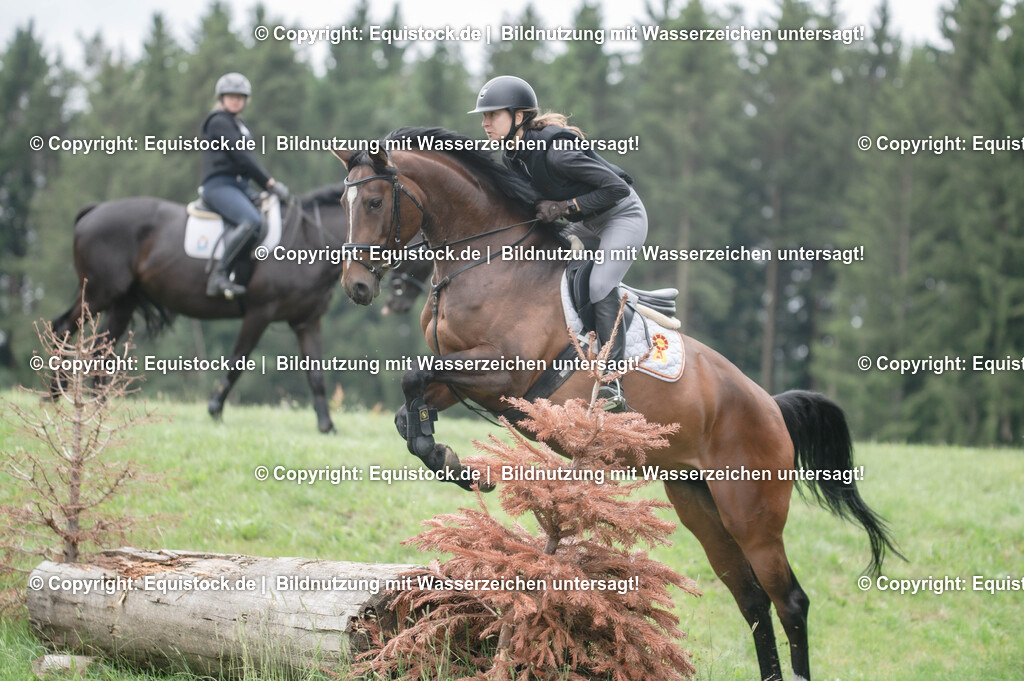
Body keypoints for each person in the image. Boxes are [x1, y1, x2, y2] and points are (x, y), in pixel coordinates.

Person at [470, 75, 648, 412]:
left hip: (622, 217)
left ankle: (613, 384)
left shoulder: (557, 152)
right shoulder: (515, 155)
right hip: (585, 224)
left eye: (493, 115)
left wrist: (565, 208)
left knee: (598, 285)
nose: (485, 123)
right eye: (484, 116)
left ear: (519, 116)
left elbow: (617, 189)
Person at [200, 72, 289, 298]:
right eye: (231, 96)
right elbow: (242, 157)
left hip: (239, 187)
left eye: (240, 96)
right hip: (219, 185)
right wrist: (269, 183)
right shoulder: (219, 121)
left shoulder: (239, 125)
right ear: (221, 98)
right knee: (250, 220)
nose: (235, 100)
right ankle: (218, 276)